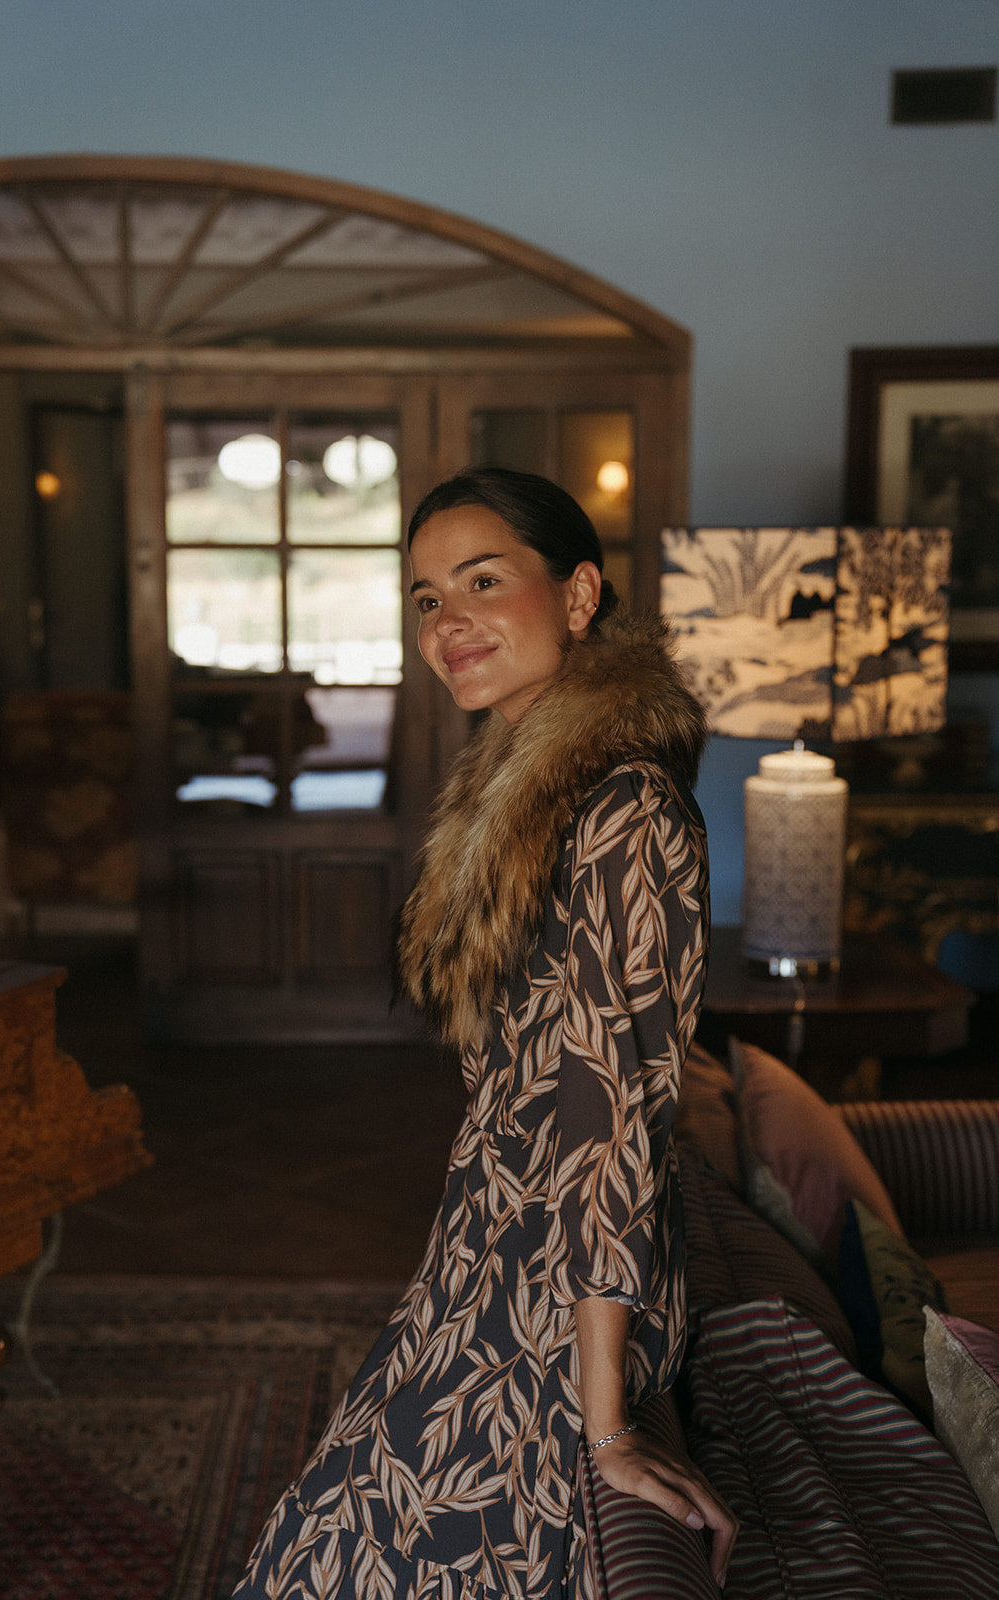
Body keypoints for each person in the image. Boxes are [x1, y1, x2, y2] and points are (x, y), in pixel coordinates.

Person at [234, 467, 737, 1599]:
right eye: (426, 598)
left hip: (564, 1293)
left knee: (329, 1556)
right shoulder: (518, 790)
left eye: (481, 581)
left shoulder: (626, 812)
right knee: (319, 1545)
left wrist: (604, 1427)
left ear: (577, 596)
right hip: (484, 1246)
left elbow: (612, 1124)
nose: (446, 622)